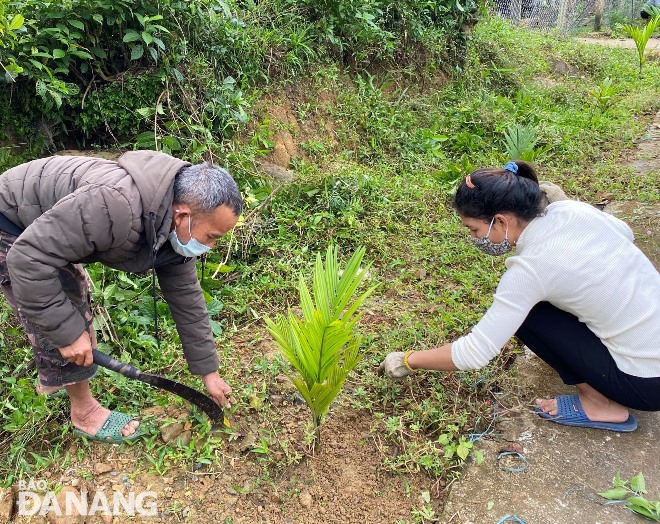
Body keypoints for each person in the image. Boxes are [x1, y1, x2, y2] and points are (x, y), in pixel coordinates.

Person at [379, 161, 660, 432]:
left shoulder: (530, 269)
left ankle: (600, 404)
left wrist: (408, 360)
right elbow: (627, 233)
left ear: (500, 221)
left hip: (647, 385)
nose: (475, 239)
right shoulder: (570, 209)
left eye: (474, 230)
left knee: (528, 316)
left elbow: (473, 353)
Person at [0, 151, 242, 442]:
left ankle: (54, 380)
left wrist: (209, 372)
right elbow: (29, 259)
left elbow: (187, 300)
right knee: (66, 312)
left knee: (71, 304)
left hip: (47, 225)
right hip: (10, 221)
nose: (211, 246)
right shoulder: (115, 205)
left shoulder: (171, 228)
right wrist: (67, 334)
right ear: (183, 216)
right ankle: (84, 413)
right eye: (212, 236)